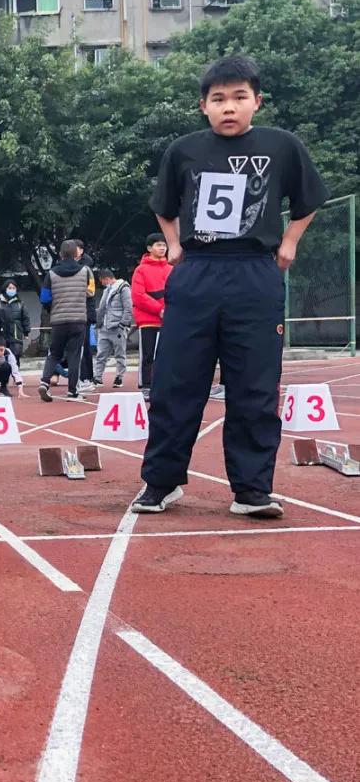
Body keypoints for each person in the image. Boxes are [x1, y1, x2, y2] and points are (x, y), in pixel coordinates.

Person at [131, 54, 328, 517]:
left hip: (254, 273)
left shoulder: (282, 146)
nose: (229, 107)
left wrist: (291, 243)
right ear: (203, 105)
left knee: (255, 386)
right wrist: (175, 244)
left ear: (256, 101)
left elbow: (308, 200)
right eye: (218, 99)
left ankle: (251, 490)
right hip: (196, 272)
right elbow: (163, 204)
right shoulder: (184, 150)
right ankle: (161, 482)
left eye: (239, 97)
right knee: (175, 383)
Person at [38, 240, 95, 402]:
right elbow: (90, 292)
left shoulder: (51, 273)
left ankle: (44, 382)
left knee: (54, 353)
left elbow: (44, 298)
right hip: (78, 319)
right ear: (77, 253)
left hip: (58, 319)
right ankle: (72, 391)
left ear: (60, 254)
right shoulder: (86, 271)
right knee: (74, 355)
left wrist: (53, 308)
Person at [131, 233, 173, 400]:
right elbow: (138, 295)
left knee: (167, 355)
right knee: (148, 354)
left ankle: (164, 385)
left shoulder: (171, 269)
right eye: (158, 245)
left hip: (169, 320)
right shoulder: (141, 270)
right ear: (149, 248)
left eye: (164, 245)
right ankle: (146, 386)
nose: (162, 248)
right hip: (148, 320)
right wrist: (159, 309)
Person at [94, 267, 133, 388]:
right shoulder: (108, 290)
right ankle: (97, 377)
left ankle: (119, 377)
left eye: (102, 281)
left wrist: (123, 323)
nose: (102, 283)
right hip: (105, 326)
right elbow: (102, 308)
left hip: (117, 326)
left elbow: (128, 307)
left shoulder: (123, 288)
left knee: (120, 353)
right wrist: (98, 323)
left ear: (106, 279)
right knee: (101, 354)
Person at [72, 239, 98, 390]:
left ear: (81, 250)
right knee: (83, 345)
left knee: (83, 345)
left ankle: (85, 377)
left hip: (84, 311)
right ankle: (86, 377)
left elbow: (90, 292)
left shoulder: (85, 268)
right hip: (77, 310)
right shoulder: (75, 266)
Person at [0, 278, 31, 364]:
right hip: (3, 334)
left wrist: (26, 332)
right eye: (10, 288)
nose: (12, 290)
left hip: (16, 333)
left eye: (13, 288)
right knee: (3, 357)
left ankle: (16, 375)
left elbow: (25, 318)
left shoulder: (20, 303)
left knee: (16, 356)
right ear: (5, 289)